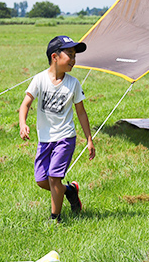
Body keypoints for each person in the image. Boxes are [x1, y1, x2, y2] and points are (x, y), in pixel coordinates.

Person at [19, 35, 96, 222]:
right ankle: (70, 191)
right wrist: (23, 123)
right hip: (45, 139)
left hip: (65, 137)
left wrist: (89, 139)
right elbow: (26, 104)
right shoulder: (39, 80)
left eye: (75, 55)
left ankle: (56, 218)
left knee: (54, 178)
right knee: (42, 180)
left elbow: (81, 113)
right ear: (55, 57)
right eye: (69, 54)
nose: (74, 60)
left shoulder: (73, 84)